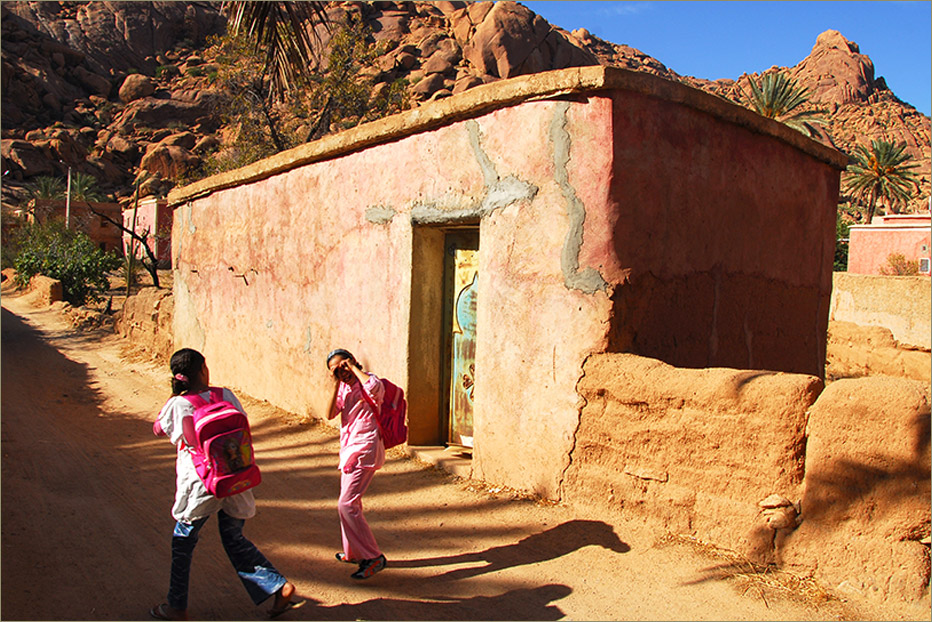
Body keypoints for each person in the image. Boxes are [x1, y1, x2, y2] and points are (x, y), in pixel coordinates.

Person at [150, 348, 304, 621]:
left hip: (201, 485)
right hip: (236, 478)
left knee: (183, 542)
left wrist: (175, 396)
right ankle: (278, 586)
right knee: (234, 538)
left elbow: (159, 428)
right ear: (203, 370)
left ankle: (176, 606)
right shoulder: (226, 395)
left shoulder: (178, 405)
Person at [326, 348, 388, 580]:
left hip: (366, 448)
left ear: (352, 362)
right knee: (350, 502)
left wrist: (353, 368)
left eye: (344, 365)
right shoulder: (342, 388)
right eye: (336, 369)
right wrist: (334, 383)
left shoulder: (370, 381)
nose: (342, 371)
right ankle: (353, 552)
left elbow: (374, 389)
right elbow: (330, 413)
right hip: (350, 450)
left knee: (346, 504)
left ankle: (373, 557)